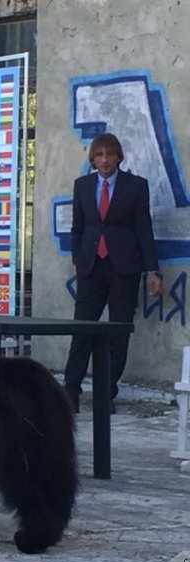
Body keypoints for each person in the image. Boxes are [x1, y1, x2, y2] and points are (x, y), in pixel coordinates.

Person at [63, 133, 163, 414]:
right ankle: (70, 392)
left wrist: (152, 270)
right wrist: (78, 258)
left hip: (124, 268)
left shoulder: (135, 187)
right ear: (93, 158)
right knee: (81, 330)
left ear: (118, 157)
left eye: (109, 155)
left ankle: (105, 394)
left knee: (118, 333)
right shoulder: (82, 186)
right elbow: (78, 228)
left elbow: (144, 230)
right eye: (99, 155)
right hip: (91, 267)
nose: (104, 161)